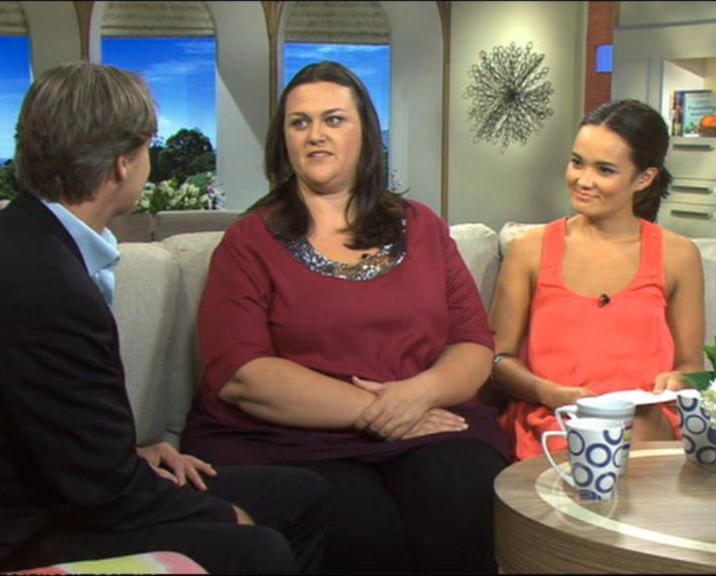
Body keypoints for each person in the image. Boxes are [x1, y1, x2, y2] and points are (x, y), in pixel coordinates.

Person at [0, 62, 328, 575]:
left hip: (64, 489)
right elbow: (101, 492)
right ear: (121, 164)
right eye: (147, 147)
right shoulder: (42, 284)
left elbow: (65, 434)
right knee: (259, 547)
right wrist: (225, 516)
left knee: (301, 495)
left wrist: (131, 455)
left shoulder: (29, 237)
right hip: (22, 531)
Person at [180, 61, 510, 575]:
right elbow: (241, 374)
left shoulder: (423, 227)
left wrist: (418, 395)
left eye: (333, 119)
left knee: (464, 487)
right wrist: (380, 411)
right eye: (300, 122)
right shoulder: (249, 241)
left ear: (366, 135)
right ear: (284, 140)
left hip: (426, 422)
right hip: (289, 439)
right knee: (365, 529)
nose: (316, 134)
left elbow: (471, 342)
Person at [488, 99, 706, 461]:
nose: (583, 180)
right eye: (577, 162)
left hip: (644, 425)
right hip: (553, 418)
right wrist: (547, 392)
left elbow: (690, 364)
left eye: (604, 170)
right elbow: (497, 360)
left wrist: (679, 379)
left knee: (639, 441)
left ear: (644, 178)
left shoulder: (678, 255)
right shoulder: (529, 250)